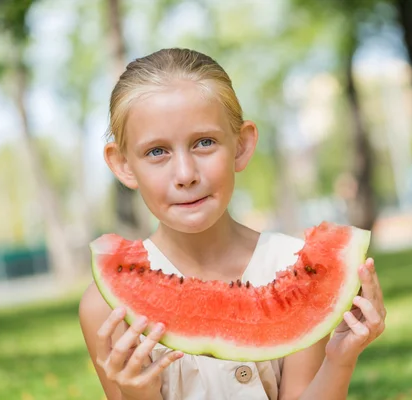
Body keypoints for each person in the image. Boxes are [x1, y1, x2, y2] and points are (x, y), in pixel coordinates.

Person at [79, 48, 386, 400]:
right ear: (123, 165)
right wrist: (138, 394)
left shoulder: (297, 268)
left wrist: (340, 360)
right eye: (156, 152)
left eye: (204, 143)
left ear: (240, 146)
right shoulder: (104, 308)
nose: (185, 174)